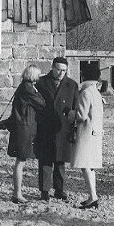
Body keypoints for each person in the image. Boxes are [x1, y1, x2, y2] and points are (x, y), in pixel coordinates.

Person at [35, 57, 78, 202]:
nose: (61, 73)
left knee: (60, 162)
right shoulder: (41, 83)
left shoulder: (72, 85)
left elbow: (75, 106)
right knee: (45, 161)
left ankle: (59, 190)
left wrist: (73, 125)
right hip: (45, 127)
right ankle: (45, 191)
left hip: (63, 127)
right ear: (52, 67)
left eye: (64, 71)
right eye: (58, 69)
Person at [8, 65, 46, 204]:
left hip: (21, 127)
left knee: (20, 160)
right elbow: (42, 103)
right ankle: (17, 193)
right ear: (33, 76)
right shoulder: (29, 88)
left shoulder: (22, 87)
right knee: (21, 160)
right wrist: (38, 91)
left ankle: (17, 192)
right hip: (24, 127)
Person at [68, 65, 103, 209]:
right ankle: (92, 195)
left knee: (85, 165)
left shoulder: (85, 92)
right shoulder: (96, 92)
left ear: (83, 76)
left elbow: (81, 115)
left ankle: (93, 196)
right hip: (95, 132)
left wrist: (69, 113)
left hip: (86, 133)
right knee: (90, 166)